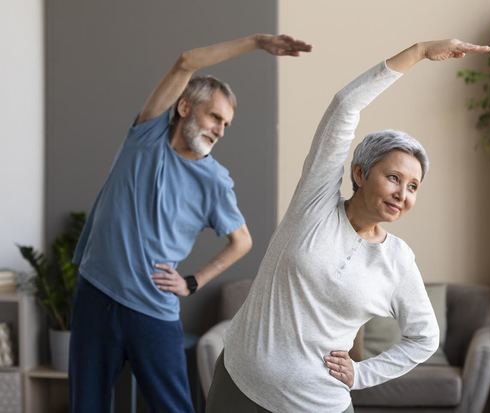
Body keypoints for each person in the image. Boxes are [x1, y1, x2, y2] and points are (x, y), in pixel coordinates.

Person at [206, 38, 490, 413]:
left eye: (413, 187)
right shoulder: (315, 206)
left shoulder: (398, 260)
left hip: (317, 404)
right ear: (360, 172)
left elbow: (425, 338)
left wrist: (362, 374)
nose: (402, 193)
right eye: (393, 177)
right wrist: (419, 52)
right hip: (238, 387)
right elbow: (345, 105)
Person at [69, 34, 312, 412]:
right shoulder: (146, 135)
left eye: (226, 124)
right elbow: (186, 61)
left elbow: (242, 240)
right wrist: (257, 43)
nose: (219, 129)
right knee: (86, 405)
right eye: (215, 116)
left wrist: (192, 281)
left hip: (152, 310)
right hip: (96, 294)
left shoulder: (215, 181)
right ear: (184, 106)